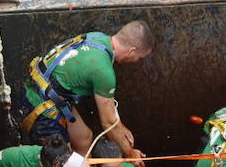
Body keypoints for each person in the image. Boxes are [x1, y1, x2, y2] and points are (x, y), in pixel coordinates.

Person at [21, 22, 154, 155]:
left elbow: (112, 118)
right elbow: (108, 122)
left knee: (83, 139)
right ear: (132, 50)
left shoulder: (97, 37)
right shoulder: (103, 71)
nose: (137, 61)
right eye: (140, 57)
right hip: (40, 104)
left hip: (48, 91)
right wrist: (129, 152)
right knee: (64, 163)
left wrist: (121, 127)